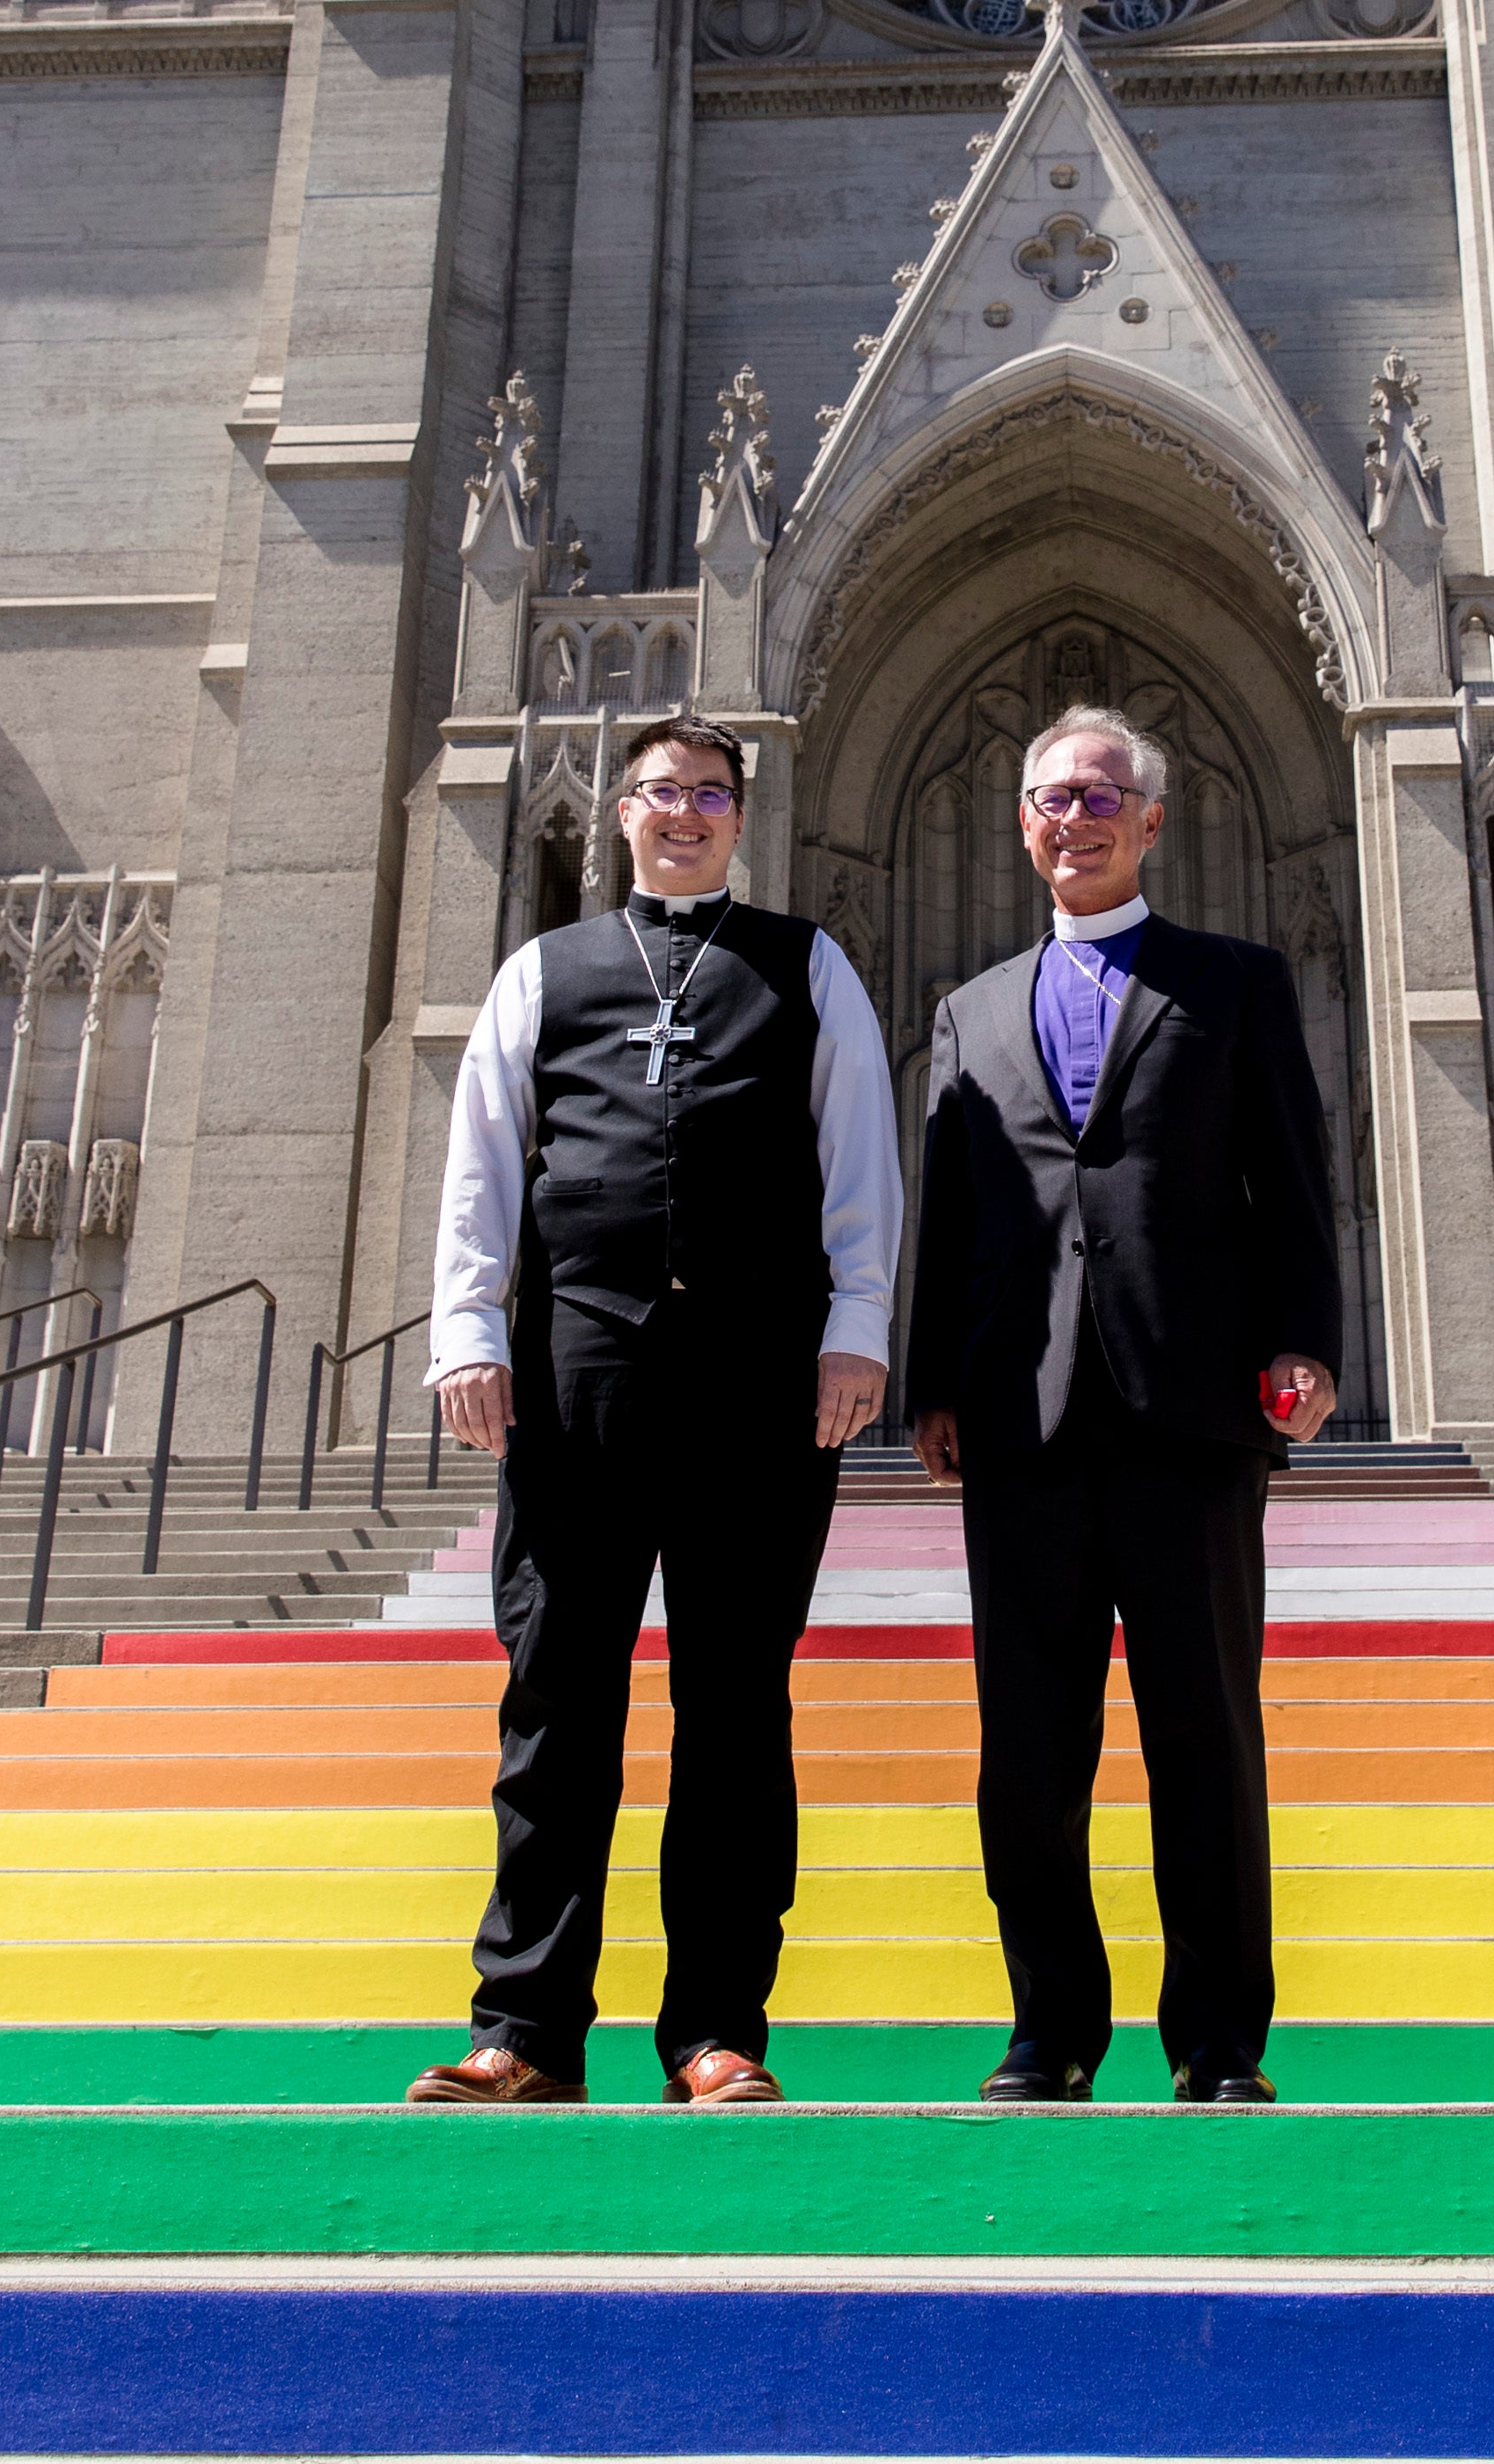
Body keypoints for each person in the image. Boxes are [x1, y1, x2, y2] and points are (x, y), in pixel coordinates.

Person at [406, 716, 900, 2109]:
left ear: (741, 814)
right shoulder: (541, 972)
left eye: (709, 794)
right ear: (619, 812)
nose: (684, 813)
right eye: (661, 791)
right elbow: (483, 1165)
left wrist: (855, 1329)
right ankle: (525, 2025)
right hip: (579, 1370)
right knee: (556, 1696)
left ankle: (715, 2029)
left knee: (734, 1706)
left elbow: (858, 1158)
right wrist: (464, 1331)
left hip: (757, 1378)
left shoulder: (807, 966)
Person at [907, 704, 1341, 2109]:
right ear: (1021, 825)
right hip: (1019, 1414)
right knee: (1028, 1747)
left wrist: (1306, 1347)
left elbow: (1290, 1177)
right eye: (1050, 797)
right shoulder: (968, 1010)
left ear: (1150, 821)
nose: (1075, 815)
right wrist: (927, 1383)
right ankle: (1052, 2030)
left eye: (1102, 795)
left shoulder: (1236, 982)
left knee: (1203, 1733)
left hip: (1191, 1402)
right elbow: (952, 1210)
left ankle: (1219, 2040)